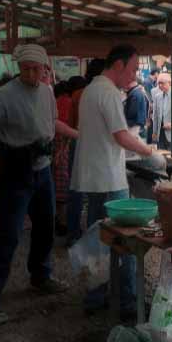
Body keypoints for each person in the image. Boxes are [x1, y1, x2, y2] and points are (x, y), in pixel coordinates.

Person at [0, 44, 77, 325]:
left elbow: (54, 123)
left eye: (38, 69)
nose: (33, 74)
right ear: (20, 68)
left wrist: (79, 134)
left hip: (43, 167)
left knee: (46, 225)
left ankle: (41, 275)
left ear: (46, 69)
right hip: (16, 169)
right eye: (27, 69)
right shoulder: (6, 95)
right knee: (9, 234)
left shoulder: (48, 92)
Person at [70, 44, 165, 315]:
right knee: (127, 241)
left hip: (93, 177)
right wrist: (150, 151)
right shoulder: (109, 92)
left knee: (98, 240)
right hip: (110, 179)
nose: (134, 75)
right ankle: (129, 303)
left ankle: (96, 295)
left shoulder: (90, 89)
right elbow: (121, 136)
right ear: (119, 65)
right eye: (134, 68)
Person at [65, 60, 105, 247]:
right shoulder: (102, 94)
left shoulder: (78, 94)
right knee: (95, 192)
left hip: (76, 141)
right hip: (95, 146)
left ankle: (73, 233)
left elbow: (71, 123)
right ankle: (92, 236)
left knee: (76, 189)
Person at [53, 81, 73, 237]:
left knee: (56, 186)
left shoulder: (56, 101)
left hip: (55, 147)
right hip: (64, 146)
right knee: (63, 189)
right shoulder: (68, 102)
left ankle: (58, 220)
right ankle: (63, 223)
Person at [151, 73, 172, 151]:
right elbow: (155, 115)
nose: (160, 85)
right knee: (162, 155)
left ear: (169, 83)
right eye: (158, 83)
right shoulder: (157, 96)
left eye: (162, 83)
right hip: (161, 133)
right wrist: (155, 131)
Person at [123, 75, 149, 141]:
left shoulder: (135, 94)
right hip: (137, 123)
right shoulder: (136, 92)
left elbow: (131, 112)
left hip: (134, 124)